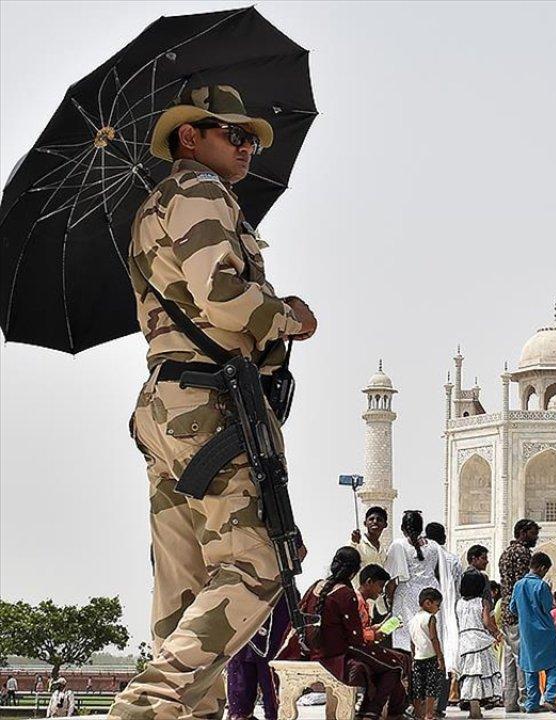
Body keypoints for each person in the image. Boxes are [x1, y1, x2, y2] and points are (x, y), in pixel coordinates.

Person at [110, 84, 318, 720]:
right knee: (256, 562)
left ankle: (185, 713)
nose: (249, 146)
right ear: (190, 137)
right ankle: (150, 703)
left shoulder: (154, 208)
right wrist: (290, 318)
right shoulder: (198, 192)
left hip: (168, 403)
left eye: (252, 138)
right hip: (207, 404)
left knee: (187, 580)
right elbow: (223, 298)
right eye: (236, 134)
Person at [299, 547, 409, 720]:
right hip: (336, 653)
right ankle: (371, 712)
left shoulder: (315, 587)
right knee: (395, 664)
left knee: (388, 661)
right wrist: (374, 635)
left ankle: (377, 711)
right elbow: (355, 637)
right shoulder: (346, 594)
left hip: (314, 650)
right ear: (354, 572)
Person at [513, 552, 556, 713]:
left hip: (527, 633)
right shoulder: (542, 586)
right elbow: (547, 607)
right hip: (545, 632)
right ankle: (550, 698)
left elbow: (513, 609)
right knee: (553, 665)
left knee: (530, 668)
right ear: (542, 568)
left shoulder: (518, 585)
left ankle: (532, 703)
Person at [498, 519, 540, 712]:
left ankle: (510, 701)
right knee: (523, 656)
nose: (536, 538)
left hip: (506, 610)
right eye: (533, 533)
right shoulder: (522, 553)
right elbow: (525, 585)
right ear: (523, 533)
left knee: (510, 657)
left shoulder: (505, 553)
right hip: (519, 610)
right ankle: (526, 700)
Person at [226, 598, 291, 720]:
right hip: (244, 602)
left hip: (274, 605)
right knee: (242, 663)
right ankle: (240, 714)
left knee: (270, 671)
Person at [423, 522, 464, 712]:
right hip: (447, 613)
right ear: (444, 538)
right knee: (444, 656)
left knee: (424, 655)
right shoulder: (453, 560)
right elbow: (458, 589)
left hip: (425, 612)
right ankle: (439, 706)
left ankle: (423, 705)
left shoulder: (421, 555)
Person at [386, 511, 440, 652]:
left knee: (404, 637)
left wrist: (389, 601)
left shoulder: (398, 545)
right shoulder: (433, 546)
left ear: (402, 528)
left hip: (407, 595)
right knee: (429, 635)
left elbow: (391, 580)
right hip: (431, 594)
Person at [457, 570, 503, 718]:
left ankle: (473, 707)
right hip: (480, 641)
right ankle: (476, 708)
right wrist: (496, 633)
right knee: (481, 674)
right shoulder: (483, 602)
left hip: (464, 641)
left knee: (470, 675)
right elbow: (487, 622)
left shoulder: (459, 603)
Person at [351, 506, 392, 624]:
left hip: (378, 605)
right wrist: (353, 542)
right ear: (365, 523)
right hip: (359, 601)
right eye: (371, 519)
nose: (375, 522)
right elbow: (346, 557)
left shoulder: (383, 551)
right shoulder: (358, 544)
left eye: (379, 519)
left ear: (385, 524)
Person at [410, 588, 445, 720]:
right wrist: (440, 657)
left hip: (418, 657)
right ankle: (429, 714)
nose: (438, 609)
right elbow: (433, 638)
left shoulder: (413, 620)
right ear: (428, 603)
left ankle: (418, 714)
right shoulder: (430, 618)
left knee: (418, 687)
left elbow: (412, 641)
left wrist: (413, 656)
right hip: (430, 656)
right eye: (437, 605)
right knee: (431, 687)